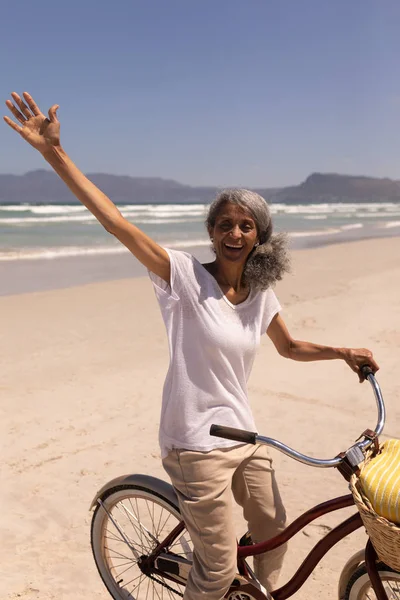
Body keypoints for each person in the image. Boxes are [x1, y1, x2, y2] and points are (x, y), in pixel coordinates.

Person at [4, 93, 379, 599]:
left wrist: (342, 353)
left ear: (258, 236)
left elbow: (289, 347)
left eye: (246, 225)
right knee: (217, 568)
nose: (235, 232)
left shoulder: (259, 293)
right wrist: (55, 153)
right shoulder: (183, 278)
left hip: (244, 435)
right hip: (194, 443)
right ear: (211, 231)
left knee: (273, 535)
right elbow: (117, 224)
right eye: (225, 223)